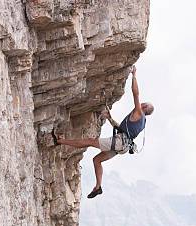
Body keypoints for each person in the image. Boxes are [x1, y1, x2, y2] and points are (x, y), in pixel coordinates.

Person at [54, 65, 154, 198]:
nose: (140, 104)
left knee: (90, 142)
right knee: (96, 160)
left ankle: (60, 140)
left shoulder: (139, 112)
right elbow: (125, 130)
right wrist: (110, 119)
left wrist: (134, 75)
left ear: (144, 107)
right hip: (123, 146)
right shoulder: (142, 122)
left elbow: (135, 93)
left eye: (143, 104)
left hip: (119, 142)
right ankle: (98, 186)